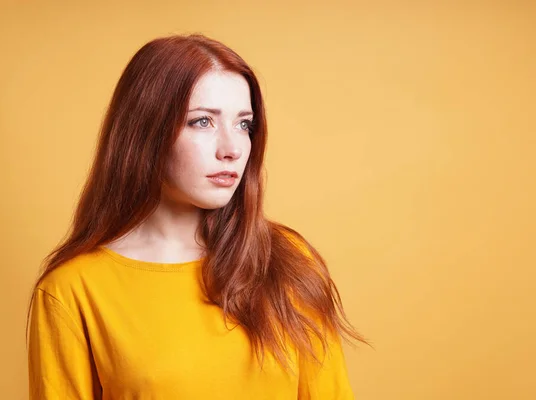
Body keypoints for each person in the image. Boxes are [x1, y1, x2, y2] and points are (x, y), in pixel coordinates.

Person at [27, 33, 365, 399]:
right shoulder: (73, 290)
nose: (232, 148)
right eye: (202, 122)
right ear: (146, 131)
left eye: (244, 124)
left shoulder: (286, 260)